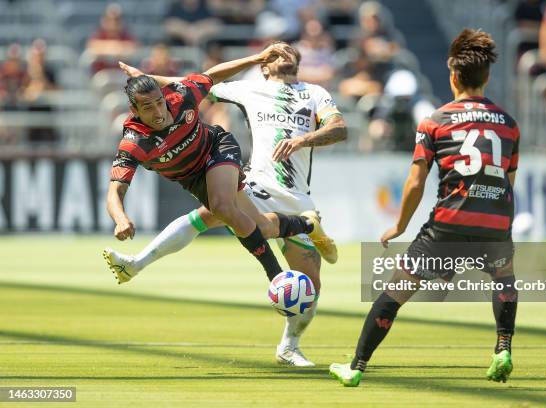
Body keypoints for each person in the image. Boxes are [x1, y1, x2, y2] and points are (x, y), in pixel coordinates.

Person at [103, 41, 347, 367]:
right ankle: (137, 263)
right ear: (265, 67)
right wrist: (147, 77)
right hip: (257, 182)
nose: (285, 55)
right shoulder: (249, 89)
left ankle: (290, 344)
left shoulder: (315, 93)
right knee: (214, 211)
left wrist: (303, 139)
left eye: (292, 53)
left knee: (310, 286)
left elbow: (340, 129)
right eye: (277, 54)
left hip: (298, 195)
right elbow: (199, 81)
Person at [330, 29, 520, 386]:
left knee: (394, 291)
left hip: (448, 223)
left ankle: (356, 366)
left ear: (453, 77)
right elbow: (508, 183)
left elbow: (416, 182)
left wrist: (400, 226)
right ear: (487, 77)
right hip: (494, 221)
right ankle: (503, 348)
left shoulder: (435, 120)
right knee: (504, 279)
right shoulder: (509, 124)